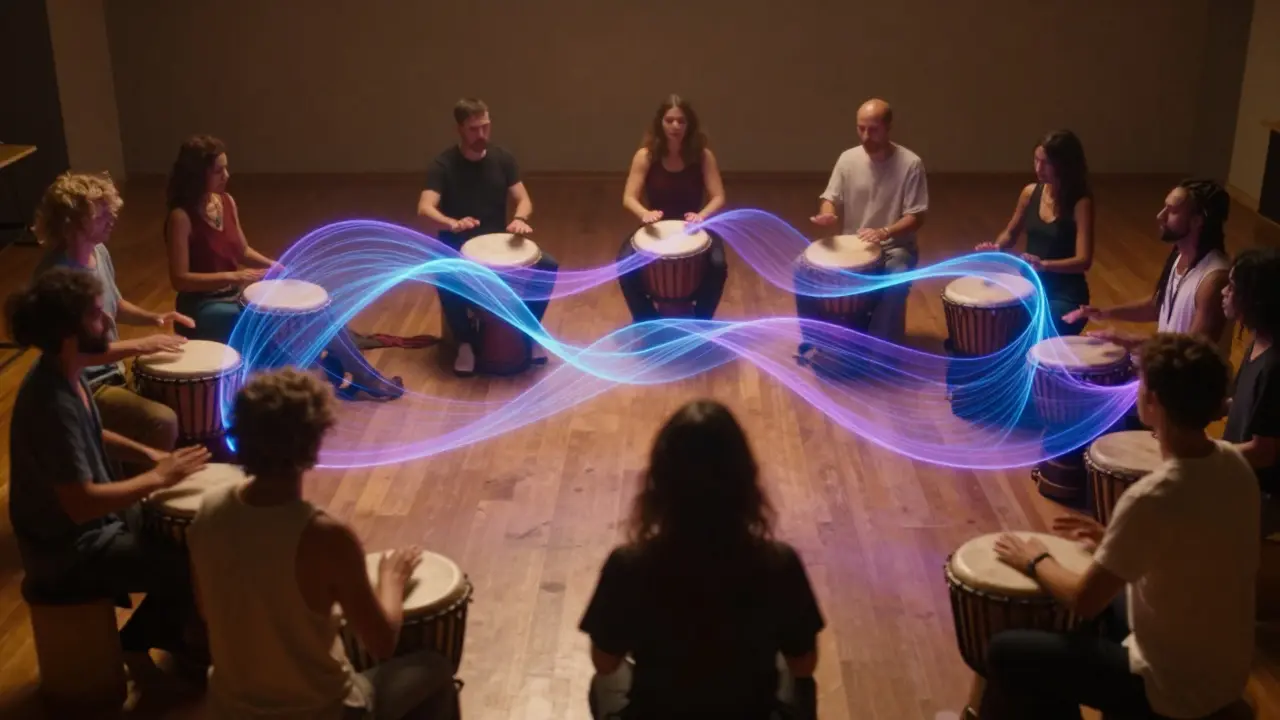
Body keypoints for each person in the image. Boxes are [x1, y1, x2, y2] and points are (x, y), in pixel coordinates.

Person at [983, 333, 1258, 719]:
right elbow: (1194, 550)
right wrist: (1113, 541)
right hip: (1225, 673)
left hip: (1168, 689)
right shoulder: (1235, 466)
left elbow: (1083, 599)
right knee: (1090, 616)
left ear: (1153, 400)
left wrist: (1035, 558)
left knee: (1006, 652)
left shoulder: (1153, 496)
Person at [188, 368, 458, 719]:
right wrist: (392, 579)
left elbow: (206, 610)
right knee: (435, 669)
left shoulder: (207, 512)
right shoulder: (326, 536)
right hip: (321, 710)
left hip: (228, 709)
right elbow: (381, 643)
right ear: (314, 443)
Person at [5, 267, 212, 672]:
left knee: (189, 530)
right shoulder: (52, 404)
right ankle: (139, 640)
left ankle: (161, 634)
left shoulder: (64, 372)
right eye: (96, 315)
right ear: (70, 332)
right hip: (66, 553)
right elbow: (81, 505)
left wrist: (149, 455)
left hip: (95, 530)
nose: (106, 320)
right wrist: (158, 477)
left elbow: (94, 432)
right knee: (187, 561)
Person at [579, 400, 824, 719]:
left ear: (660, 482)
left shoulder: (628, 566)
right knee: (799, 684)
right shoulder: (779, 564)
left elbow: (605, 662)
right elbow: (803, 664)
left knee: (604, 684)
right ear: (744, 481)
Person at [165, 135, 403, 401]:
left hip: (233, 296)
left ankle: (361, 375)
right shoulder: (181, 218)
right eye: (218, 171)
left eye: (226, 168)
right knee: (268, 321)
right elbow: (180, 279)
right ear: (198, 175)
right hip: (203, 308)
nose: (226, 175)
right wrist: (233, 275)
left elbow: (242, 250)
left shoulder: (226, 202)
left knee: (318, 311)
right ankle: (328, 371)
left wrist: (273, 265)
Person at [33, 171, 188, 459]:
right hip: (86, 384)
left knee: (182, 398)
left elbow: (114, 304)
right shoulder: (56, 279)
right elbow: (76, 356)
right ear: (71, 222)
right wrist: (142, 345)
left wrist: (154, 318)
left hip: (113, 370)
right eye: (101, 214)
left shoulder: (99, 252)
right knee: (162, 420)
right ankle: (143, 481)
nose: (112, 218)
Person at [416, 98, 560, 376]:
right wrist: (452, 222)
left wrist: (519, 219)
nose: (481, 134)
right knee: (443, 272)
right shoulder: (443, 165)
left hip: (496, 241)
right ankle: (465, 343)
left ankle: (528, 333)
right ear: (460, 129)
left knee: (548, 265)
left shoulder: (502, 158)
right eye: (474, 129)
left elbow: (524, 200)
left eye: (485, 127)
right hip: (457, 243)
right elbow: (425, 208)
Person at [1062, 178, 1231, 354]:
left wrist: (1132, 340)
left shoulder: (1213, 280)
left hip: (1187, 370)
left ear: (1197, 221)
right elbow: (1159, 306)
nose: (1160, 216)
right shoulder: (1180, 254)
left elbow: (1195, 348)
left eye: (1172, 211)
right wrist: (1104, 313)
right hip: (1169, 363)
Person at [617, 95, 728, 322]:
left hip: (694, 227)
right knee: (624, 264)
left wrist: (701, 216)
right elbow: (628, 197)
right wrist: (644, 214)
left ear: (689, 125)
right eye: (669, 120)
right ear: (660, 123)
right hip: (655, 227)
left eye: (681, 121)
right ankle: (647, 321)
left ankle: (701, 320)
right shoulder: (646, 156)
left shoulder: (703, 156)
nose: (675, 126)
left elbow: (718, 196)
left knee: (718, 265)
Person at [976, 130, 1094, 337]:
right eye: (1036, 160)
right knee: (994, 322)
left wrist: (1044, 265)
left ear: (1064, 165)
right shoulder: (1030, 193)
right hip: (1030, 288)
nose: (1038, 168)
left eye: (1046, 163)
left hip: (1065, 295)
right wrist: (997, 247)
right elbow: (1010, 233)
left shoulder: (1081, 204)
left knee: (1037, 330)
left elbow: (1084, 260)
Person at [1222, 248, 1280, 518]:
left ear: (1255, 299)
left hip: (1259, 496)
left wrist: (1204, 456)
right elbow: (1244, 403)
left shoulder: (1274, 366)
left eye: (1232, 287)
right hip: (1240, 476)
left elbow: (1263, 452)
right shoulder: (1259, 341)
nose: (1223, 292)